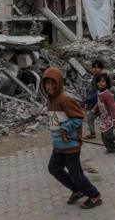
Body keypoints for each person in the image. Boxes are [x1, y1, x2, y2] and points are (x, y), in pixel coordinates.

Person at [42, 66, 103, 209]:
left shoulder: (65, 99)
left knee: (76, 175)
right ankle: (77, 190)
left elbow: (78, 117)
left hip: (70, 145)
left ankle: (94, 196)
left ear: (59, 83)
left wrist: (65, 128)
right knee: (54, 168)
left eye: (53, 83)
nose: (50, 86)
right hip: (58, 144)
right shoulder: (50, 100)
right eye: (47, 83)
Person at [91, 73, 115, 153]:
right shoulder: (99, 92)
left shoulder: (108, 94)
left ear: (107, 83)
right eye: (98, 81)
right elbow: (99, 103)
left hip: (110, 118)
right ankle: (112, 148)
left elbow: (113, 108)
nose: (100, 83)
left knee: (108, 135)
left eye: (102, 81)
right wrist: (94, 110)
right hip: (104, 118)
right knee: (104, 136)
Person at [83, 60, 104, 139]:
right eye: (94, 67)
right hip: (96, 105)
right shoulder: (94, 79)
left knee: (108, 121)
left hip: (103, 104)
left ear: (101, 69)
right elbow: (93, 91)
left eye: (98, 67)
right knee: (89, 119)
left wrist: (88, 99)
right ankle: (92, 133)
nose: (96, 69)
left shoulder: (102, 79)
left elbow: (99, 92)